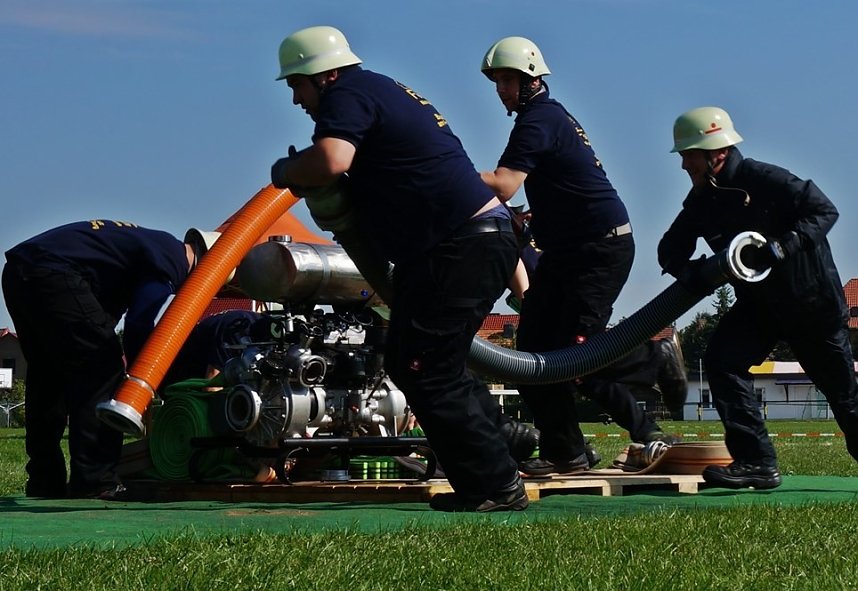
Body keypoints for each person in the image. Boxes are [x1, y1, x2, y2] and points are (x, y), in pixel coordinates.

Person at [268, 26, 531, 512]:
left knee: (426, 369)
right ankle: (503, 447)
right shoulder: (377, 89)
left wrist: (285, 172)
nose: (294, 99)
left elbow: (331, 159)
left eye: (295, 85)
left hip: (459, 245)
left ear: (322, 76)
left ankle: (496, 484)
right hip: (469, 242)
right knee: (427, 364)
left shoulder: (347, 93)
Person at [478, 36, 688, 477]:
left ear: (530, 78)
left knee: (578, 353)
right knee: (532, 353)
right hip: (569, 249)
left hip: (597, 248)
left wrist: (444, 173)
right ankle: (566, 453)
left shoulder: (539, 119)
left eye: (505, 80)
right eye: (496, 81)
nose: (500, 89)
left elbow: (503, 185)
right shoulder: (546, 116)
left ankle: (655, 358)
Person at [658, 106, 858, 489]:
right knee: (721, 362)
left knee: (844, 397)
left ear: (715, 153)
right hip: (760, 308)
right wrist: (696, 272)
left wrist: (781, 248)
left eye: (688, 155)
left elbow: (824, 210)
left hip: (810, 303)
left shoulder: (766, 179)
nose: (683, 165)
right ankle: (756, 463)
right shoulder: (702, 200)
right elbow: (669, 250)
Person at [2, 220, 202, 499]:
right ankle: (97, 481)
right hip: (54, 272)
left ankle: (45, 480)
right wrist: (139, 381)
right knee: (103, 369)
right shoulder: (174, 259)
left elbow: (103, 316)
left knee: (47, 375)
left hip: (20, 269)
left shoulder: (136, 249)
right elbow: (138, 324)